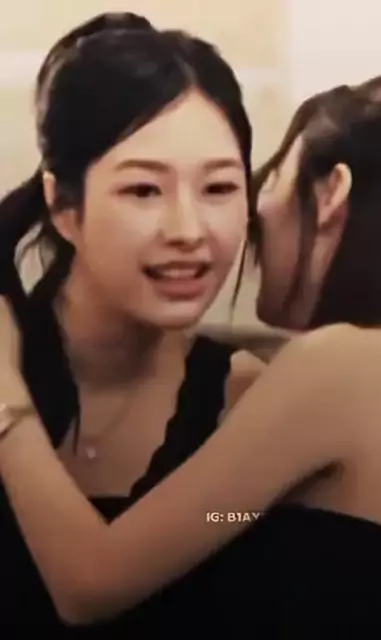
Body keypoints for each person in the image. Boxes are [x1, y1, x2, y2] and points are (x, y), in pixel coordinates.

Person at [1, 71, 381, 637]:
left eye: (267, 182)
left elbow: (90, 581)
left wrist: (5, 391)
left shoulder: (351, 365)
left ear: (332, 193)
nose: (256, 217)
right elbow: (227, 516)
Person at [0, 12, 265, 631]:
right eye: (144, 191)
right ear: (63, 206)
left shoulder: (248, 397)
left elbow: (231, 523)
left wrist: (232, 512)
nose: (189, 231)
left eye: (219, 189)